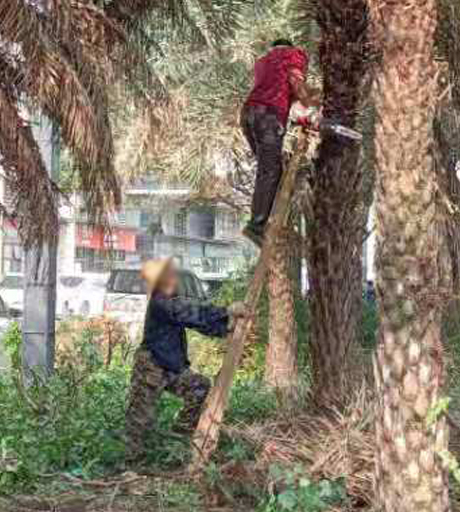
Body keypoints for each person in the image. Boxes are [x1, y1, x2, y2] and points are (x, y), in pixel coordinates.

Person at [124, 257, 244, 465]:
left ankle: (180, 434)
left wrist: (225, 328)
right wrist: (226, 311)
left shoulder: (171, 299)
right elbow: (191, 313)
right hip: (151, 366)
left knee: (199, 387)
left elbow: (197, 321)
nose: (173, 278)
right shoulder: (161, 301)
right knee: (140, 418)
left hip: (170, 366)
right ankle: (131, 463)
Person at [240, 38, 316, 247]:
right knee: (271, 171)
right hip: (269, 117)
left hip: (248, 115)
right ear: (289, 48)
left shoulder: (263, 62)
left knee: (269, 170)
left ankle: (262, 220)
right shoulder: (293, 55)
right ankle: (257, 225)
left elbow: (278, 90)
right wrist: (311, 102)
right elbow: (296, 85)